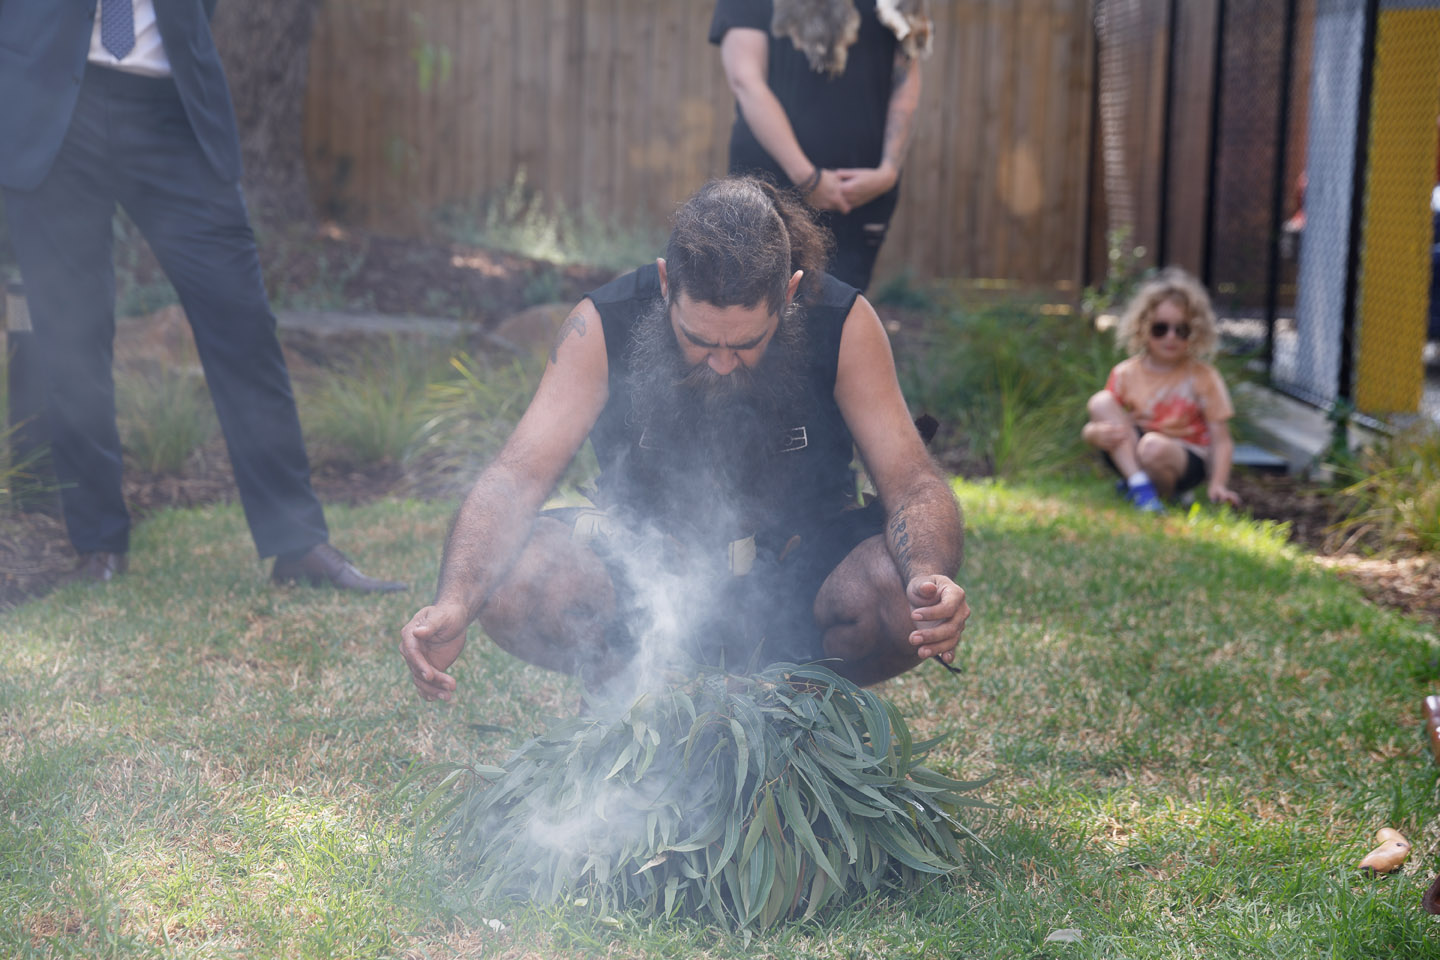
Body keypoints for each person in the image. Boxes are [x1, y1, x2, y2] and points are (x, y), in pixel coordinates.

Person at [399, 177, 968, 702]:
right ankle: (628, 705)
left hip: (803, 582)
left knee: (898, 596)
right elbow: (515, 478)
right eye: (698, 339)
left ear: (790, 292)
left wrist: (926, 576)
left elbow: (913, 482)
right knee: (513, 579)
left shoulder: (845, 323)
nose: (722, 364)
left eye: (747, 344)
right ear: (667, 283)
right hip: (641, 579)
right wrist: (454, 600)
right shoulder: (600, 324)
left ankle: (798, 710)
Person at [0, 0, 402, 591]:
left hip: (174, 110)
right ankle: (98, 543)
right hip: (53, 109)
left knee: (241, 323)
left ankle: (297, 544)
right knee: (72, 337)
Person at [709, 0, 929, 293]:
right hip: (769, 190)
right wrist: (808, 178)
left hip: (862, 194)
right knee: (759, 309)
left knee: (841, 310)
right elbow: (746, 81)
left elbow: (905, 73)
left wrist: (888, 170)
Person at [1082, 268, 1242, 512]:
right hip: (1133, 453)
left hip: (1182, 458)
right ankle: (1139, 485)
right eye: (1160, 328)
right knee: (1100, 401)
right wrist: (1093, 434)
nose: (1171, 337)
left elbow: (1221, 440)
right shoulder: (1126, 373)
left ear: (1196, 331)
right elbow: (1102, 420)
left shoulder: (1203, 376)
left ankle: (1163, 492)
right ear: (1143, 327)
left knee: (1153, 446)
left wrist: (1218, 484)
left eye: (1181, 330)